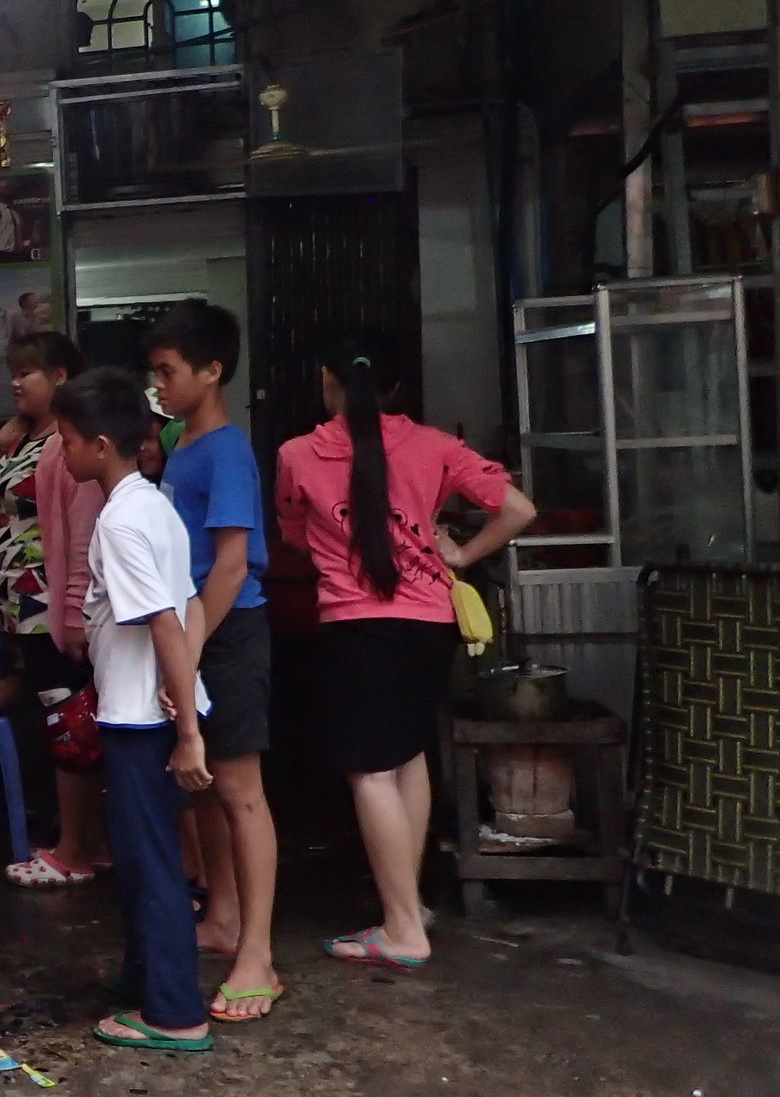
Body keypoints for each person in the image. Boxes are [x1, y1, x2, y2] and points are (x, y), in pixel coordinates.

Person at [276, 334, 537, 972]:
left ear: (327, 379)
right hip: (428, 622)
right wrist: (461, 554)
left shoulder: (298, 454)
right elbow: (519, 508)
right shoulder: (435, 446)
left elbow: (294, 533)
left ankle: (401, 930)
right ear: (394, 390)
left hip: (359, 627)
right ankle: (409, 903)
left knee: (369, 771)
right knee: (406, 757)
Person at [52, 368, 214, 1055]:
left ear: (96, 444)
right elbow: (193, 604)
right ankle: (145, 978)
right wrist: (186, 689)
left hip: (142, 719)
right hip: (155, 705)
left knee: (149, 863)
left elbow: (164, 624)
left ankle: (177, 1013)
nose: (60, 452)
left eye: (63, 439)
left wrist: (187, 732)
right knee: (146, 855)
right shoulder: (155, 502)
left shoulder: (120, 520)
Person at [145, 302, 280, 1022]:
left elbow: (230, 566)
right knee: (203, 791)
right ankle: (224, 917)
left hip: (226, 632)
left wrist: (189, 649)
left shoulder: (227, 449)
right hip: (195, 633)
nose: (159, 384)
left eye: (168, 371)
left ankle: (257, 953)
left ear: (212, 370)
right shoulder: (182, 444)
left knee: (239, 790)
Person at [0, 331, 108, 888]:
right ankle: (82, 840)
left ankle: (75, 849)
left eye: (28, 372)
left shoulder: (70, 445)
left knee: (67, 717)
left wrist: (70, 612)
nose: (15, 381)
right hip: (22, 605)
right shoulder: (28, 438)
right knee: (56, 714)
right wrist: (7, 441)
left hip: (49, 603)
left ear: (60, 377)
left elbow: (79, 536)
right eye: (13, 371)